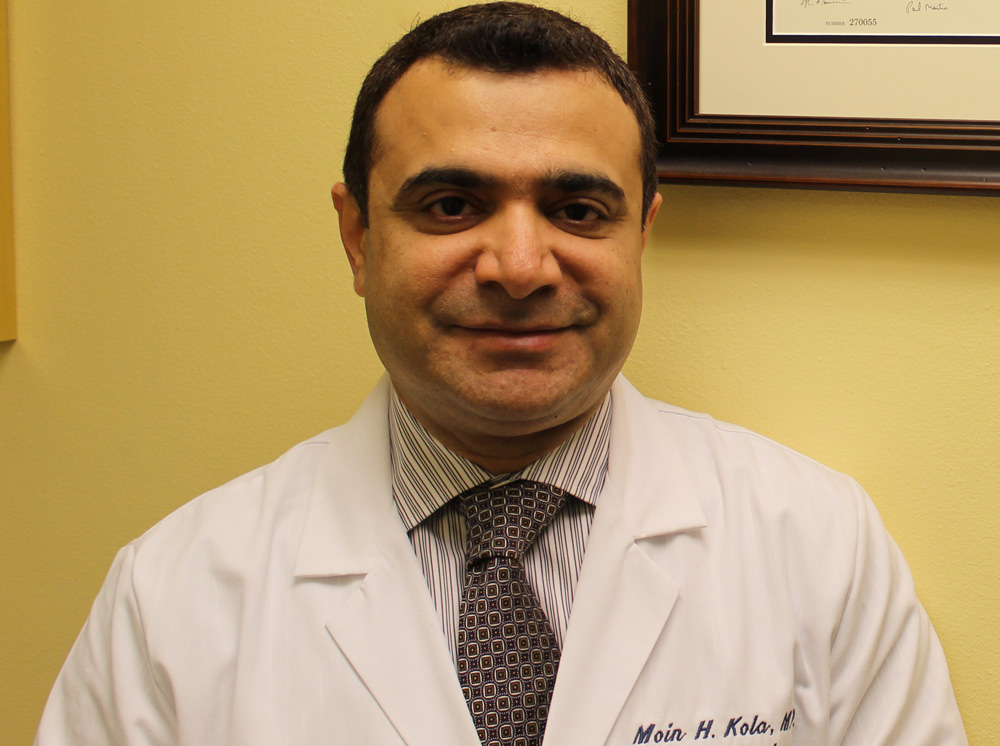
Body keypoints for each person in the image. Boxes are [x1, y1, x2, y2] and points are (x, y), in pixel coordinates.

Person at [36, 3, 967, 745]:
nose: (520, 268)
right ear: (358, 236)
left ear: (640, 235)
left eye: (578, 210)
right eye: (452, 205)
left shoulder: (818, 547)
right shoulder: (172, 600)